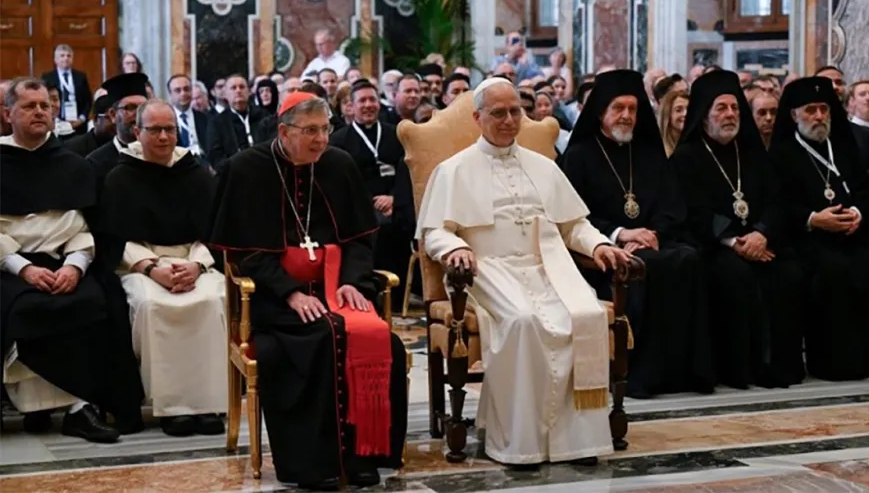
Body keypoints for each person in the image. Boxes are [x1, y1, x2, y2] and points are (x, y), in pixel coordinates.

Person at [416, 78, 633, 468]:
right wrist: (457, 248)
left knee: (582, 317)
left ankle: (577, 441)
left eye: (515, 111)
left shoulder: (543, 167)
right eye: (498, 113)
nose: (509, 120)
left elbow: (573, 225)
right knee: (522, 321)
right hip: (487, 270)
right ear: (478, 117)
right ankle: (519, 442)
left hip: (548, 267)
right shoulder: (454, 170)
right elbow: (435, 232)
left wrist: (600, 245)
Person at [207, 92, 407, 490]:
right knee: (320, 339)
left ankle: (364, 454)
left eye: (325, 129)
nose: (321, 140)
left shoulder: (338, 164)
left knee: (386, 343)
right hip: (272, 298)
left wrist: (352, 281)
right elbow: (242, 254)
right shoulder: (247, 169)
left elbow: (359, 239)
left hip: (337, 289)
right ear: (284, 131)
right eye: (310, 131)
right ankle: (315, 465)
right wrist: (291, 292)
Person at [1, 77, 144, 442]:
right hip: (9, 266)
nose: (39, 112)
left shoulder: (75, 165)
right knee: (23, 308)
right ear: (7, 114)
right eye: (29, 106)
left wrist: (75, 265)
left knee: (97, 302)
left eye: (45, 106)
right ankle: (34, 406)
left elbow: (87, 225)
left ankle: (79, 408)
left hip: (65, 263)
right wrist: (24, 268)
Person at [562, 70, 713, 398]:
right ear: (600, 112)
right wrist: (620, 234)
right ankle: (638, 374)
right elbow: (573, 219)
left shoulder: (649, 153)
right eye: (618, 108)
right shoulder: (579, 157)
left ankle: (683, 372)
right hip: (604, 253)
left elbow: (672, 204)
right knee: (642, 269)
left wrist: (654, 232)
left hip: (653, 242)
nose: (627, 116)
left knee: (688, 259)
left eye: (632, 109)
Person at [98, 100, 226, 437]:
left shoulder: (195, 172)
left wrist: (197, 265)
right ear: (137, 132)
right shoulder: (120, 177)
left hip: (194, 260)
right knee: (152, 306)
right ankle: (172, 408)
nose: (164, 137)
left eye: (170, 129)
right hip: (141, 265)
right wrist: (151, 267)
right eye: (154, 129)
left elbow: (214, 230)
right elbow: (113, 237)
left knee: (212, 302)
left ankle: (209, 403)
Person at [672, 71, 806, 389]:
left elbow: (778, 199)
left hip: (760, 241)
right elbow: (692, 211)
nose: (730, 115)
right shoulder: (685, 158)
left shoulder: (753, 154)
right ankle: (739, 370)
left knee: (788, 273)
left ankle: (781, 366)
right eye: (721, 108)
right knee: (736, 276)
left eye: (734, 108)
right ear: (704, 115)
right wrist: (734, 241)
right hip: (715, 247)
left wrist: (762, 233)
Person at [768, 77, 869, 379]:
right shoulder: (781, 154)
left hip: (851, 237)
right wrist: (813, 218)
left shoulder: (844, 147)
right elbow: (777, 205)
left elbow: (866, 189)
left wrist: (858, 213)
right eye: (811, 110)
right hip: (807, 241)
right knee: (833, 272)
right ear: (795, 114)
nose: (819, 117)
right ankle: (833, 363)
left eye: (824, 109)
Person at [329, 80, 409, 309]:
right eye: (362, 100)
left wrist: (394, 198)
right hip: (358, 208)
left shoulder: (396, 135)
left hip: (396, 205)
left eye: (372, 99)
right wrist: (369, 203)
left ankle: (396, 298)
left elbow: (406, 172)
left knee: (398, 226)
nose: (368, 105)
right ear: (351, 107)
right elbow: (342, 182)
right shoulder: (339, 141)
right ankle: (368, 293)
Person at [85, 73, 150, 189]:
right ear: (113, 115)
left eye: (143, 107)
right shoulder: (95, 164)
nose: (139, 114)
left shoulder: (161, 154)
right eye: (130, 108)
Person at [206, 74, 270, 173]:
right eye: (233, 88)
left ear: (249, 92)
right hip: (233, 175)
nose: (238, 91)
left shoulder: (264, 116)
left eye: (242, 87)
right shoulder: (217, 123)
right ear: (225, 94)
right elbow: (215, 156)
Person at [66, 92, 116, 156]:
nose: (115, 122)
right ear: (95, 119)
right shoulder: (72, 148)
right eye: (110, 117)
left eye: (118, 117)